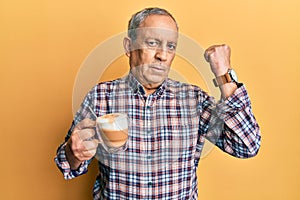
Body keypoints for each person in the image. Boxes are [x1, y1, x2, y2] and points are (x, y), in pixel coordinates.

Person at [55, 7, 261, 199]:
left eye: (170, 46)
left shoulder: (194, 100)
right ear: (129, 46)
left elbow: (247, 145)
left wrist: (224, 74)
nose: (163, 55)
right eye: (152, 43)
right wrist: (74, 152)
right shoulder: (101, 96)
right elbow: (67, 164)